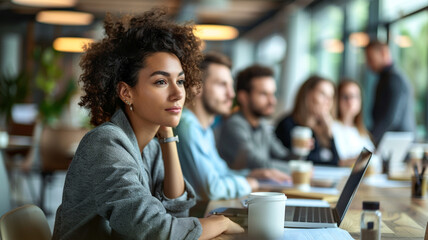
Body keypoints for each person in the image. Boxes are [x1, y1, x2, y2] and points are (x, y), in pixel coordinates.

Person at [52, 10, 244, 240]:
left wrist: (168, 138)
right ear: (126, 92)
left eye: (180, 81)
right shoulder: (105, 144)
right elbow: (156, 230)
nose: (177, 94)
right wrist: (219, 222)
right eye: (161, 82)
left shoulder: (149, 147)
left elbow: (178, 215)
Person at [175, 52, 290, 202]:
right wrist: (249, 183)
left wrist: (251, 174)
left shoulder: (203, 128)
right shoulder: (187, 127)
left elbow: (221, 172)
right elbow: (211, 189)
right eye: (222, 85)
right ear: (197, 87)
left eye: (230, 86)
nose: (231, 94)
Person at [217, 64, 290, 171]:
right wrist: (298, 169)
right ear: (243, 97)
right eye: (264, 94)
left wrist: (301, 152)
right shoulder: (234, 125)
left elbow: (282, 156)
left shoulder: (262, 124)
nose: (272, 101)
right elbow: (256, 164)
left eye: (273, 94)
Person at [275, 76, 340, 165]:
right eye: (323, 94)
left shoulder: (320, 127)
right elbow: (303, 160)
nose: (328, 101)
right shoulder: (288, 124)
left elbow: (335, 160)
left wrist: (329, 133)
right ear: (308, 95)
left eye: (331, 96)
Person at [364, 40, 415, 145]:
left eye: (371, 59)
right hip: (394, 141)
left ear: (383, 53)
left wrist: (369, 139)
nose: (368, 64)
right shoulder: (386, 79)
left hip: (397, 143)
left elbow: (390, 118)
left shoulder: (394, 79)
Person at [332, 79, 374, 166]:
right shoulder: (332, 127)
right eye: (345, 97)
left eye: (355, 97)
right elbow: (340, 161)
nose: (350, 101)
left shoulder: (361, 130)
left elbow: (373, 157)